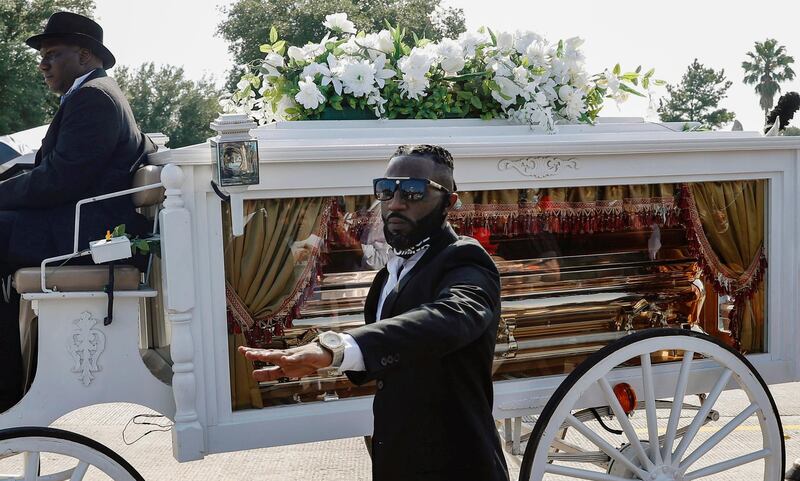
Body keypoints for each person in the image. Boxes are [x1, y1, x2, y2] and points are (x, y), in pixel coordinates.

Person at [240, 145, 509, 481]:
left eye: (414, 191)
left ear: (448, 203)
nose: (396, 203)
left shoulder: (465, 258)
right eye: (386, 190)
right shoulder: (388, 274)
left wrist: (337, 349)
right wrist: (325, 362)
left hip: (457, 465)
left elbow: (452, 316)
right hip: (397, 459)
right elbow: (394, 357)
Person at [0, 11, 155, 411]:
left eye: (53, 54)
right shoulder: (91, 94)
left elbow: (59, 179)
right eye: (42, 56)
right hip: (82, 226)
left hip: (93, 238)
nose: (43, 64)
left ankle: (8, 392)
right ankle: (12, 386)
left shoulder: (95, 98)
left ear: (85, 56)